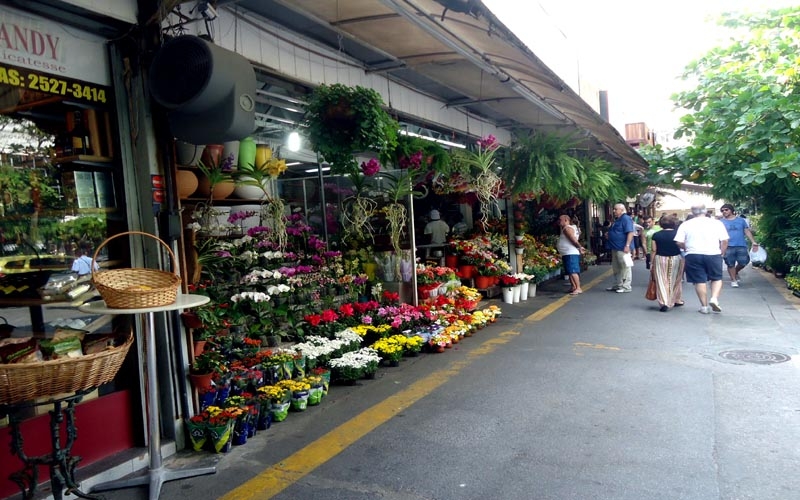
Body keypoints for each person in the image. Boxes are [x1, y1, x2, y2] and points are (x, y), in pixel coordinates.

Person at [674, 204, 729, 314]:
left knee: (699, 280)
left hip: (693, 254)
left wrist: (686, 248)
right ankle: (714, 298)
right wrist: (722, 251)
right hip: (713, 253)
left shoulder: (686, 224)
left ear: (693, 212)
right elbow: (725, 240)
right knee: (716, 278)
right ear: (705, 211)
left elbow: (678, 242)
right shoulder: (717, 223)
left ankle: (704, 307)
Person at [719, 203, 758, 287]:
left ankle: (736, 271)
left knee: (744, 262)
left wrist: (753, 242)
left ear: (732, 210)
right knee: (730, 264)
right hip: (728, 246)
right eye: (722, 211)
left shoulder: (741, 220)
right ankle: (733, 280)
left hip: (741, 245)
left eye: (726, 210)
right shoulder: (721, 222)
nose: (724, 212)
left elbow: (746, 231)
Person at [650, 215, 684, 312]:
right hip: (676, 258)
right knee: (675, 280)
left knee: (661, 280)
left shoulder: (656, 235)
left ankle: (664, 302)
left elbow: (653, 250)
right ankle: (676, 299)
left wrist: (651, 262)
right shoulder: (678, 234)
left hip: (660, 258)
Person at [606, 203, 635, 293]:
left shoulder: (626, 218)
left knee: (625, 267)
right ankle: (618, 284)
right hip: (615, 247)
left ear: (622, 210)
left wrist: (627, 245)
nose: (614, 211)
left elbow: (630, 232)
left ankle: (626, 286)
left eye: (615, 209)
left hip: (622, 247)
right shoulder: (618, 219)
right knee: (616, 267)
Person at [557, 214, 586, 295]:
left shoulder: (567, 229)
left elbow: (573, 239)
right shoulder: (569, 228)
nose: (559, 221)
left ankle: (578, 287)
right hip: (567, 253)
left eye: (560, 220)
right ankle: (573, 286)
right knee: (570, 271)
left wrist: (579, 247)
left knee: (573, 271)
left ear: (566, 220)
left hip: (570, 253)